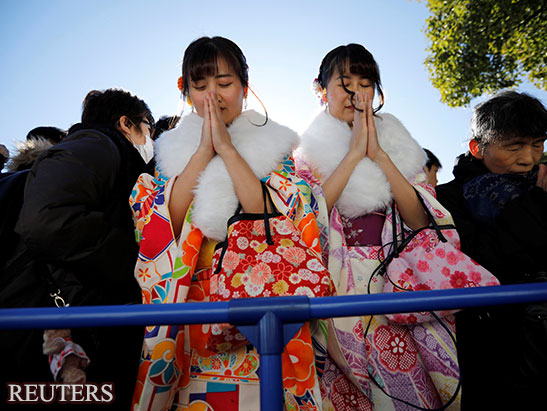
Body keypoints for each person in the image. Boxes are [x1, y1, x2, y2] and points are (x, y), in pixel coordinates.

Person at [130, 36, 330, 410]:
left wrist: (227, 149)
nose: (213, 96)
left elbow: (277, 224)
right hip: (194, 315)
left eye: (224, 83)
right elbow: (161, 228)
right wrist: (203, 151)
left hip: (260, 299)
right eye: (200, 85)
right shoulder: (169, 154)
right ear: (186, 91)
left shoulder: (277, 150)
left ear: (244, 87)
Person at [295, 43, 497, 410]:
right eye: (345, 83)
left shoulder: (400, 144)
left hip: (397, 278)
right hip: (337, 280)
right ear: (321, 89)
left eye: (365, 83)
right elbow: (307, 220)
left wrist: (379, 155)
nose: (357, 93)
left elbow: (422, 222)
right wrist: (353, 154)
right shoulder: (305, 153)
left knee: (408, 385)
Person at [435, 90, 547, 410]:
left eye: (537, 144)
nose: (529, 158)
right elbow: (477, 263)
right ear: (478, 148)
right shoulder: (447, 199)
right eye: (514, 146)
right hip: (496, 352)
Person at [0, 88, 155, 409]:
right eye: (147, 128)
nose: (150, 139)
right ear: (126, 124)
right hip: (40, 328)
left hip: (54, 326)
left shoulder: (102, 154)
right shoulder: (96, 144)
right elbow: (47, 221)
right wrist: (136, 260)